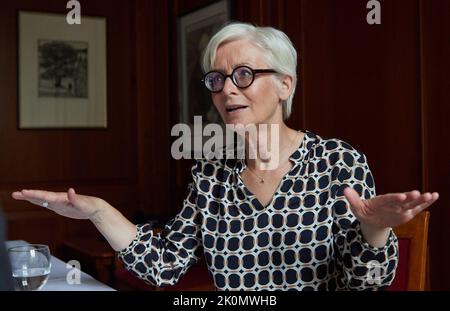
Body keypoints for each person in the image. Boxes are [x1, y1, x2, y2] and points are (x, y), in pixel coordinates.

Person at [12, 22, 439, 291]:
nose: (227, 90)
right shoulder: (212, 175)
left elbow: (365, 285)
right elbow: (164, 267)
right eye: (217, 79)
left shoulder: (338, 162)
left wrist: (373, 229)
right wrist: (97, 211)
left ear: (285, 85)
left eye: (244, 75)